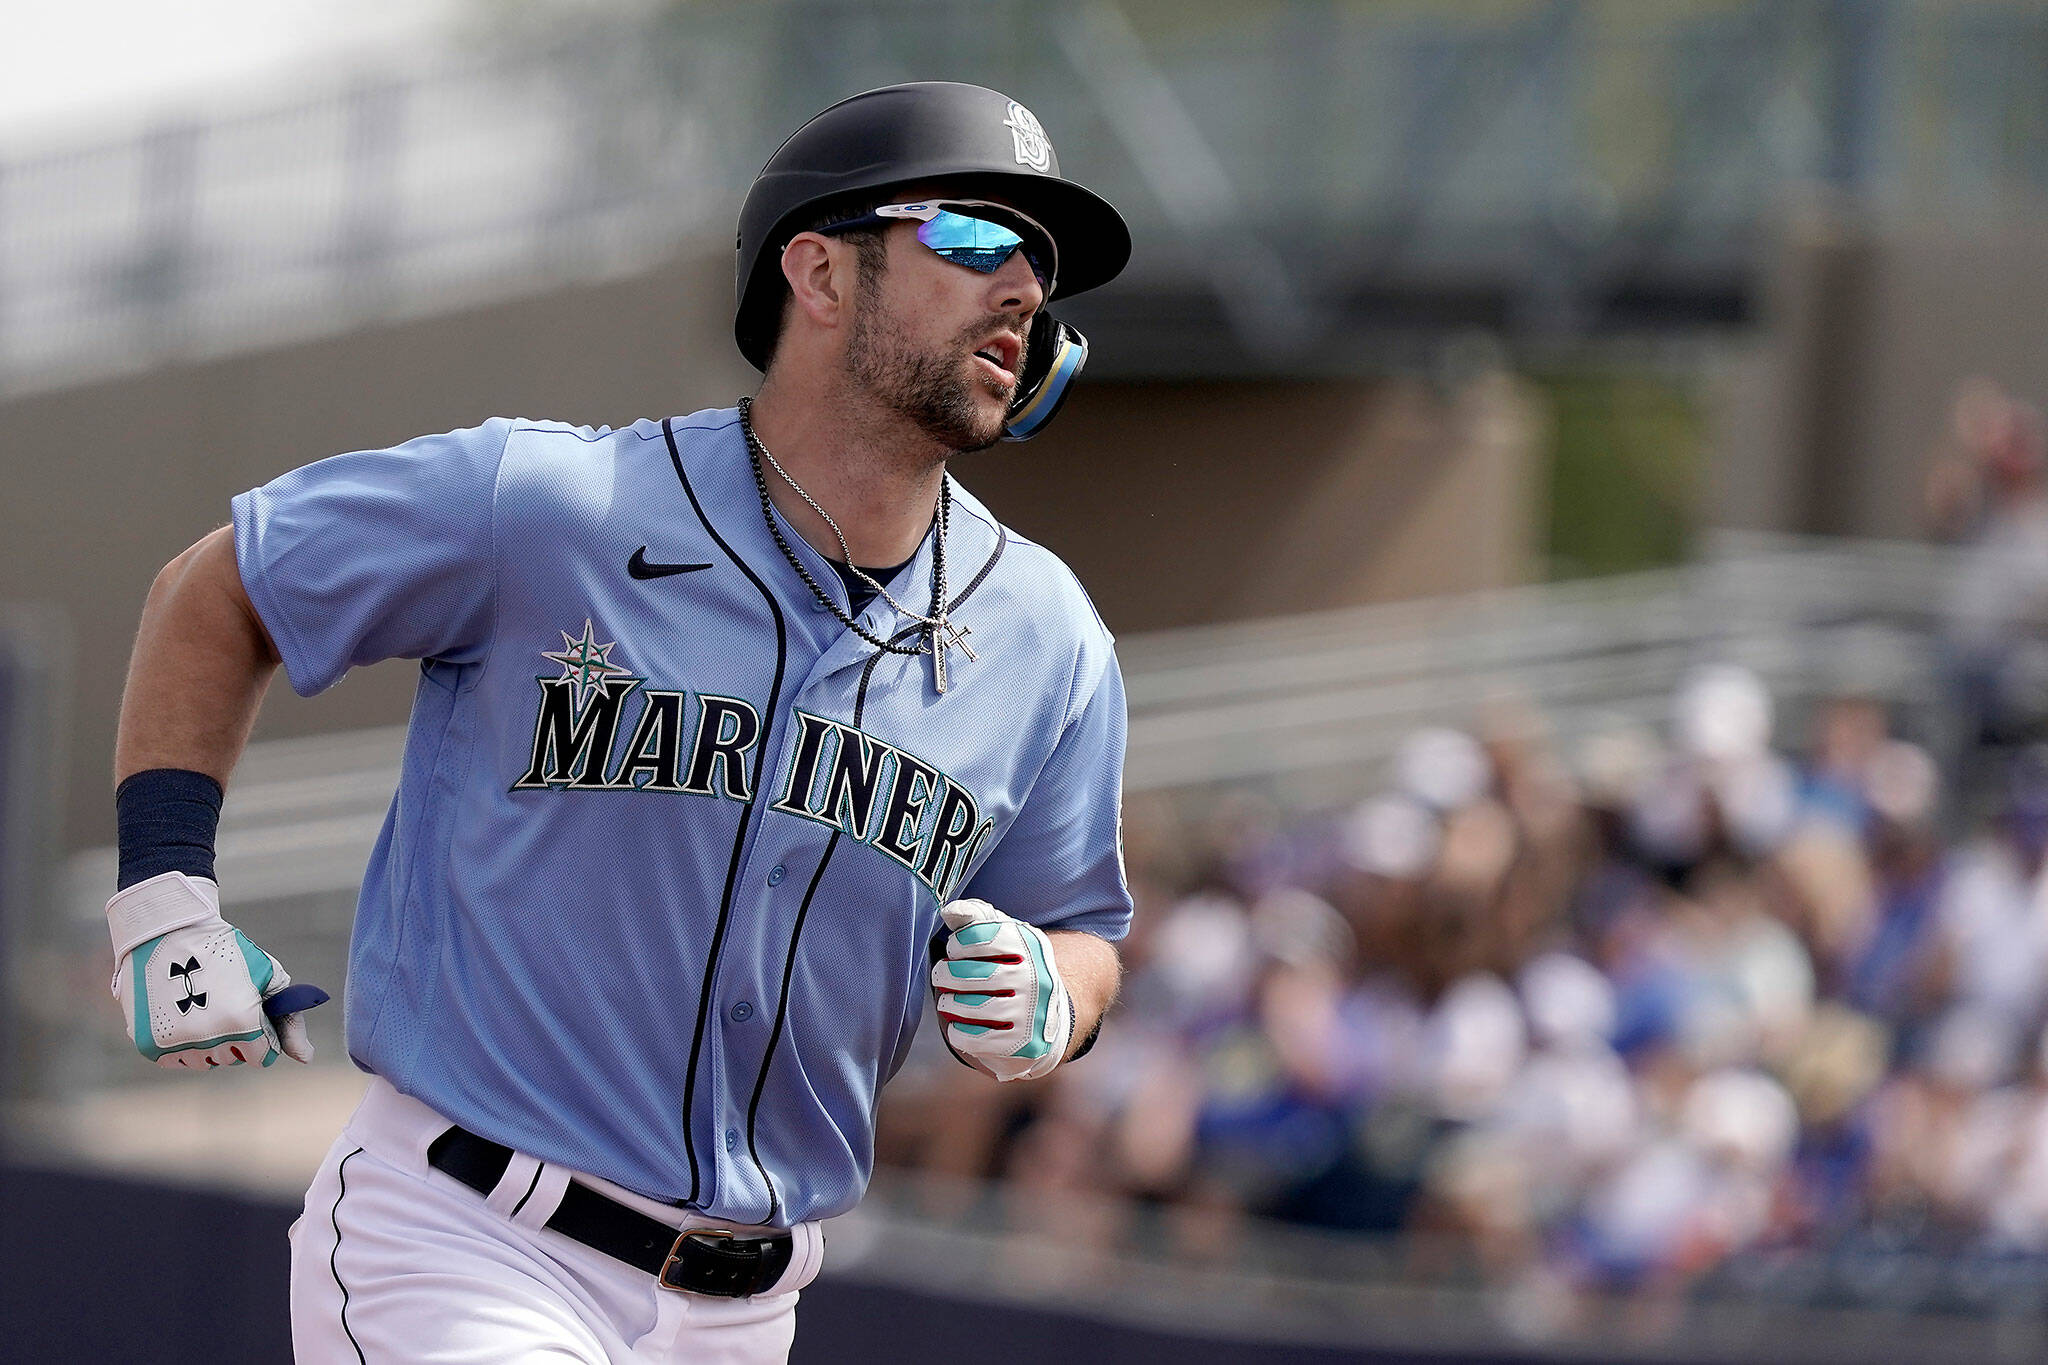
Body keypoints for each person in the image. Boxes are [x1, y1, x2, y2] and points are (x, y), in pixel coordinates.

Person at [105, 81, 1135, 1363]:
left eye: (1044, 266)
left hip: (749, 1311)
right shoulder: (550, 502)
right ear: (818, 271)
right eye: (978, 235)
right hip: (468, 1242)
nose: (1027, 287)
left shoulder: (1050, 640)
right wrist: (162, 898)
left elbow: (1082, 926)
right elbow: (222, 588)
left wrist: (1056, 994)